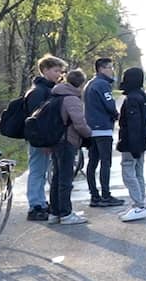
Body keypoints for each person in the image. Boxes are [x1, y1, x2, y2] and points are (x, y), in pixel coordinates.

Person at [24, 55, 67, 221]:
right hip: (39, 140)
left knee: (41, 171)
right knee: (37, 171)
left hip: (44, 139)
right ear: (46, 70)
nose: (59, 74)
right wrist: (43, 142)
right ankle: (35, 206)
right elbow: (38, 121)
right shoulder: (38, 92)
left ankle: (41, 202)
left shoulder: (47, 89)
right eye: (56, 70)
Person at [49, 69, 93, 225]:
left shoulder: (55, 94)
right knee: (66, 179)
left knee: (57, 177)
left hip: (55, 140)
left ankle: (54, 213)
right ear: (81, 83)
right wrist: (89, 134)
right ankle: (66, 214)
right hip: (67, 141)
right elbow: (79, 123)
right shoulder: (71, 99)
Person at [83, 58, 123, 208]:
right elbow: (110, 105)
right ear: (101, 69)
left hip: (91, 128)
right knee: (106, 163)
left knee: (92, 163)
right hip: (103, 129)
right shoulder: (103, 84)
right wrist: (117, 116)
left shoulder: (90, 84)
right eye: (110, 67)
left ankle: (94, 196)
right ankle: (105, 195)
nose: (112, 70)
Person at [116, 67, 146, 222]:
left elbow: (134, 125)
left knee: (129, 173)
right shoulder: (144, 96)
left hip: (131, 143)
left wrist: (133, 146)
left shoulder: (131, 99)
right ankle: (139, 203)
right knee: (138, 173)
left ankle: (139, 205)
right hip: (141, 142)